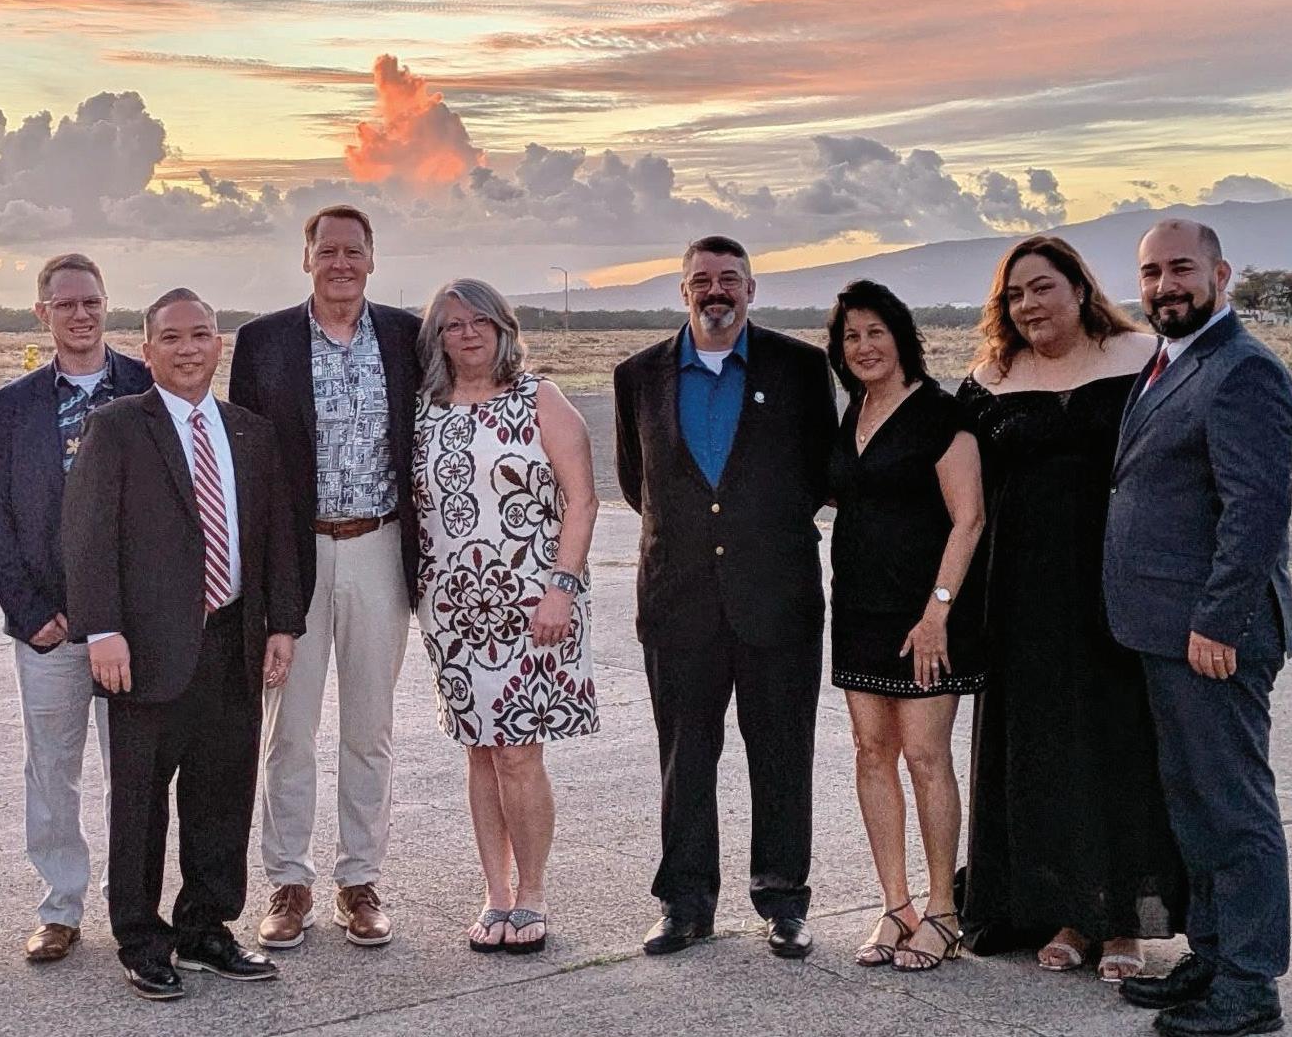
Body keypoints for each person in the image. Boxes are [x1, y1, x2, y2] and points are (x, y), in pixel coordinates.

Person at [957, 234, 1186, 982]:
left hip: (1118, 586)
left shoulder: (1144, 358)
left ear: (1080, 288)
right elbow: (959, 496)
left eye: (1042, 287)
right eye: (1014, 294)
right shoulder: (988, 379)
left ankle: (1121, 921)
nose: (1028, 305)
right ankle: (1061, 910)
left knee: (1119, 744)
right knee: (1041, 750)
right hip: (1021, 596)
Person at [62, 288, 302, 1000]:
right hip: (143, 648)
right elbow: (87, 535)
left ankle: (205, 928)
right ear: (147, 350)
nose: (188, 348)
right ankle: (141, 938)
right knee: (140, 803)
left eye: (200, 334)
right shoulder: (116, 426)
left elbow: (276, 536)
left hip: (233, 640)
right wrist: (102, 629)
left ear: (218, 343)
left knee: (222, 793)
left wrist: (282, 623)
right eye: (171, 337)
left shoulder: (251, 432)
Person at [614, 234, 837, 960]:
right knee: (685, 759)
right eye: (702, 279)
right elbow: (638, 482)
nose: (717, 291)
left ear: (751, 289)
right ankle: (685, 903)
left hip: (777, 599)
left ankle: (783, 900)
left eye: (730, 279)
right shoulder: (637, 375)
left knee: (782, 754)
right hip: (677, 603)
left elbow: (819, 473)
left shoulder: (800, 368)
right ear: (683, 290)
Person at [1104, 220, 1292, 1037]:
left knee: (1233, 805)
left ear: (1221, 274)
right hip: (1165, 630)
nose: (1163, 285)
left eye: (1180, 268)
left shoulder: (1244, 369)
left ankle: (1250, 982)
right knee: (1193, 804)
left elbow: (1256, 511)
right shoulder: (1170, 361)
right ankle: (1214, 954)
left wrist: (1218, 621)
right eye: (1150, 272)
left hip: (1213, 635)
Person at [229, 204, 422, 949]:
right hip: (294, 551)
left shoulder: (407, 337)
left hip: (379, 544)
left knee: (370, 726)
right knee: (289, 729)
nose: (341, 262)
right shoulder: (263, 341)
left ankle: (359, 880)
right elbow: (248, 460)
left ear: (372, 258)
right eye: (328, 250)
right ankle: (289, 881)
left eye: (354, 250)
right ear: (306, 257)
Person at [412, 278, 600, 955]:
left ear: (502, 329)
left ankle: (532, 893)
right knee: (481, 751)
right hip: (453, 609)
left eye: (479, 322)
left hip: (533, 602)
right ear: (437, 338)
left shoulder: (538, 397)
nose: (467, 334)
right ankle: (494, 893)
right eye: (452, 325)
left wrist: (561, 588)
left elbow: (582, 500)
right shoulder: (424, 410)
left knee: (519, 752)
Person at [0, 253, 151, 963]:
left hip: (132, 627)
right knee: (51, 768)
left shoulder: (146, 386)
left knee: (133, 773)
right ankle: (59, 905)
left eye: (91, 302)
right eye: (65, 304)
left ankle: (132, 904)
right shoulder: (12, 407)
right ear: (42, 311)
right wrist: (28, 611)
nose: (80, 314)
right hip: (48, 626)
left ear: (107, 305)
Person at [825, 281, 985, 973]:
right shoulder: (854, 412)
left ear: (901, 336)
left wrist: (936, 612)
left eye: (875, 332)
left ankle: (943, 910)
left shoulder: (941, 414)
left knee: (924, 755)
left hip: (926, 617)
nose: (864, 346)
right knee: (871, 751)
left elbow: (969, 519)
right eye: (850, 336)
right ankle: (896, 906)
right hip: (858, 609)